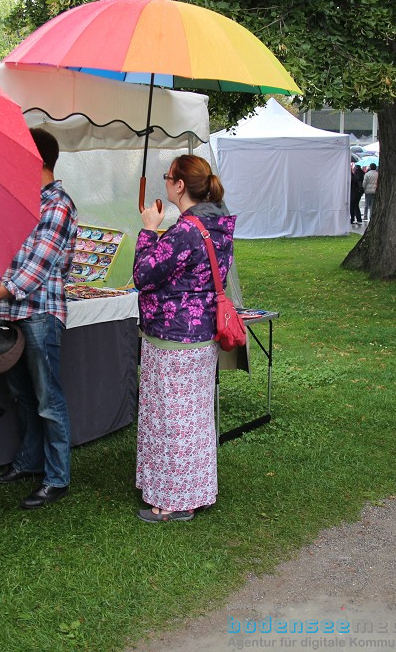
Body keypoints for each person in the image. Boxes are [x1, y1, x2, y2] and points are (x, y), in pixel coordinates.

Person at [0, 128, 78, 510]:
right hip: (15, 314)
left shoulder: (57, 205)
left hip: (41, 315)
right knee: (23, 396)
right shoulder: (26, 203)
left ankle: (57, 477)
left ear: (38, 160)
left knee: (48, 400)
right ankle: (30, 462)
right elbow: (7, 258)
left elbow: (34, 272)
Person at [132, 154, 235, 523]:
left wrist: (148, 230)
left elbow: (144, 273)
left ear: (179, 185)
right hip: (200, 336)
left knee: (172, 420)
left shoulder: (186, 230)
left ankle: (174, 502)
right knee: (192, 418)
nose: (165, 182)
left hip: (173, 338)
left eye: (168, 177)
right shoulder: (216, 224)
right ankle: (193, 491)